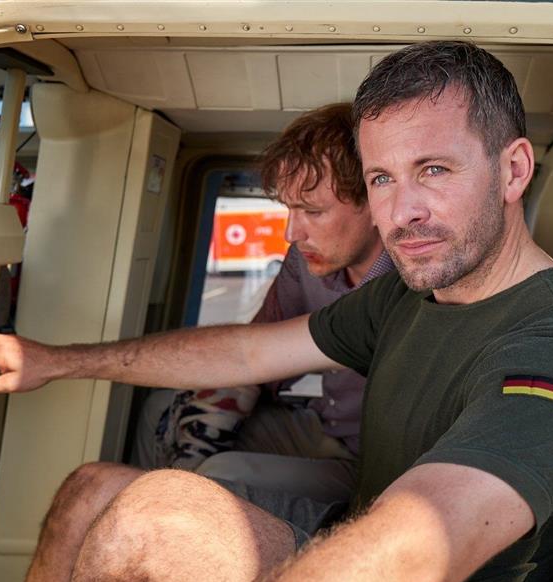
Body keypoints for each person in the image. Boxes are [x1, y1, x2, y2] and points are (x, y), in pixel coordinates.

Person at [0, 41, 553, 582]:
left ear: (513, 171)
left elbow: (404, 563)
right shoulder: (411, 295)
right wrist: (56, 361)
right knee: (90, 491)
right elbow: (249, 352)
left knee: (149, 527)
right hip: (349, 522)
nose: (403, 212)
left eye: (434, 170)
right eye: (383, 178)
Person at [131, 103, 393, 503]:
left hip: (381, 464)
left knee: (219, 476)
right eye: (289, 209)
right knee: (160, 411)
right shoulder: (306, 261)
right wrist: (203, 425)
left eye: (312, 211)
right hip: (326, 427)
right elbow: (255, 353)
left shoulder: (412, 281)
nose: (291, 233)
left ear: (376, 202)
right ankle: (144, 519)